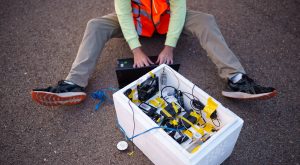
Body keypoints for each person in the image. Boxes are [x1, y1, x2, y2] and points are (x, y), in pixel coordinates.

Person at [31, 0, 277, 106]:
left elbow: (179, 10)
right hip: (137, 25)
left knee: (205, 20)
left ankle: (236, 80)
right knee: (96, 25)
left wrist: (169, 45)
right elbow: (124, 15)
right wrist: (136, 50)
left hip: (170, 22)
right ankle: (74, 83)